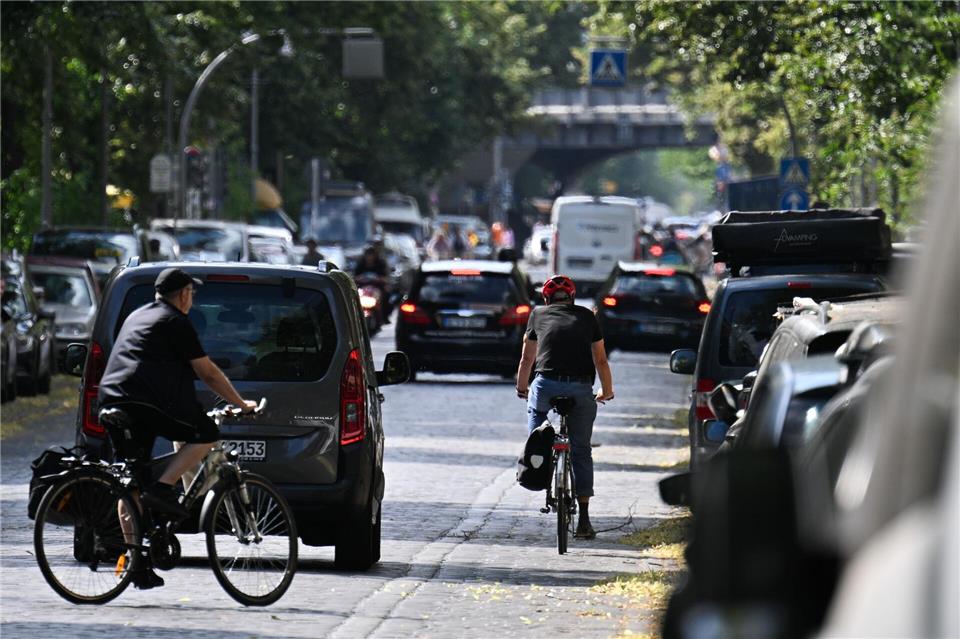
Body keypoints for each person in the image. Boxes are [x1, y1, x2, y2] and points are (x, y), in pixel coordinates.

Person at [98, 267, 257, 589]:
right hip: (148, 403)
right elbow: (208, 372)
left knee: (131, 481)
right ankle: (165, 486)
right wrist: (241, 404)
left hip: (113, 401)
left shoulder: (138, 315)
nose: (192, 299)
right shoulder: (175, 321)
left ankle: (135, 562)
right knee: (206, 433)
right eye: (192, 294)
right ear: (184, 295)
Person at [515, 274, 615, 540]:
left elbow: (527, 358)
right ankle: (584, 520)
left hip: (545, 385)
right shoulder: (588, 317)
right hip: (580, 388)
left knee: (537, 420)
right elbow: (601, 360)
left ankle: (539, 447)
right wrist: (606, 391)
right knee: (581, 451)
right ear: (572, 297)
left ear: (546, 298)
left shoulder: (537, 314)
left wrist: (522, 388)